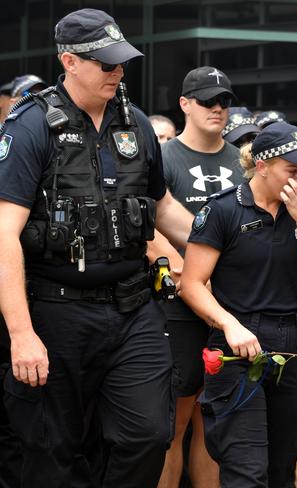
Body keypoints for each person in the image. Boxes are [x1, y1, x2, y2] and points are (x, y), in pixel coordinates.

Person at [0, 8, 194, 487]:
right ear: (68, 61)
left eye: (122, 62)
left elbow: (163, 208)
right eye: (106, 63)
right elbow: (4, 233)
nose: (118, 72)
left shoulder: (137, 124)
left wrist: (223, 239)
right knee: (53, 452)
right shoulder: (30, 127)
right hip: (56, 311)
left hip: (132, 308)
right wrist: (21, 333)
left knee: (148, 434)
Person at [181, 121, 297, 487]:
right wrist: (228, 324)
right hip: (238, 345)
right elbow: (191, 284)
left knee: (281, 470)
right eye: (292, 170)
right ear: (263, 166)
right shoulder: (223, 209)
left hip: (294, 343)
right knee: (246, 470)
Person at [154, 66, 245, 488]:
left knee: (215, 423)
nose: (218, 108)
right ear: (185, 105)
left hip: (232, 304)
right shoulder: (164, 157)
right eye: (208, 100)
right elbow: (152, 228)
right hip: (177, 307)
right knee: (174, 421)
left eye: (224, 100)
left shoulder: (242, 160)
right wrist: (191, 277)